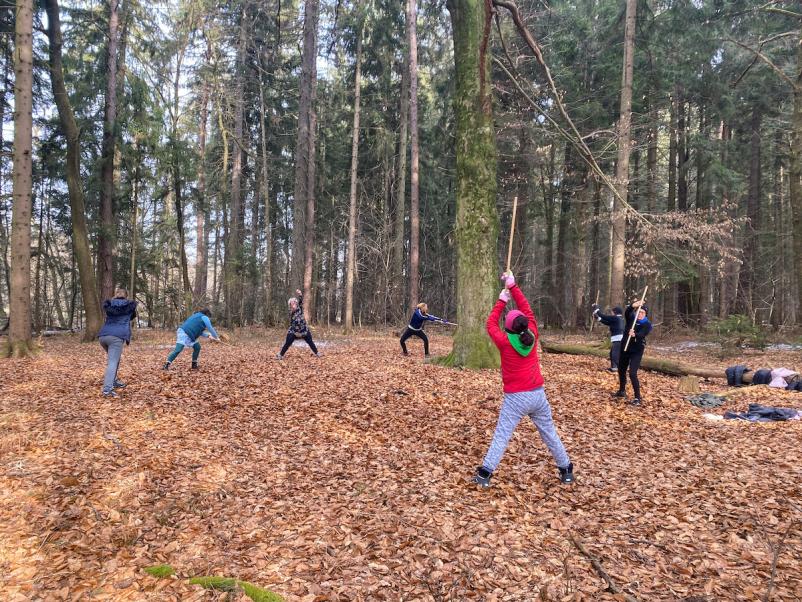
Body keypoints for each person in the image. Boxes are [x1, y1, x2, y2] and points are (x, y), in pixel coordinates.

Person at [472, 272, 574, 488]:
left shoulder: (504, 342)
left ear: (508, 328)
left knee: (502, 435)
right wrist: (513, 286)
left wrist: (502, 300)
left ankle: (484, 474)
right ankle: (566, 469)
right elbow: (527, 309)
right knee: (549, 434)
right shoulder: (533, 334)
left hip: (516, 398)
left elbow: (490, 324)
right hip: (537, 395)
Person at [98, 287, 138, 397]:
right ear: (126, 295)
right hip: (116, 337)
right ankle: (107, 390)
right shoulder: (129, 305)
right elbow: (132, 316)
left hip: (103, 336)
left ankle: (114, 380)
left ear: (116, 294)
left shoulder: (110, 304)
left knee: (115, 359)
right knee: (113, 362)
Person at [613, 299, 652, 406]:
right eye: (638, 312)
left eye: (642, 313)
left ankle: (637, 397)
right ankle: (622, 391)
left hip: (637, 351)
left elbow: (642, 334)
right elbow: (627, 312)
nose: (640, 314)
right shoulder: (631, 319)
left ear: (645, 314)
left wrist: (635, 334)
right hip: (625, 348)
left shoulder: (647, 324)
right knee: (621, 370)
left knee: (632, 373)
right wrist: (633, 305)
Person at [276, 290, 320, 359]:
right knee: (287, 343)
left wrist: (300, 294)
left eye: (294, 302)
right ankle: (280, 355)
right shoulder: (290, 311)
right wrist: (293, 309)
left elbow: (301, 302)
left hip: (303, 329)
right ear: (290, 305)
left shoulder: (300, 308)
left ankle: (317, 353)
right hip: (294, 331)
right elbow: (292, 312)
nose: (293, 304)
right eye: (292, 303)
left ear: (296, 303)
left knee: (310, 342)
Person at [592, 304, 624, 372]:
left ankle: (617, 367)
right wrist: (598, 318)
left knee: (615, 354)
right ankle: (614, 367)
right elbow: (607, 323)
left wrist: (597, 309)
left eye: (612, 312)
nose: (611, 313)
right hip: (617, 338)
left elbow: (604, 317)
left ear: (615, 312)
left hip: (618, 338)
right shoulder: (618, 319)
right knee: (612, 353)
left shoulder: (616, 318)